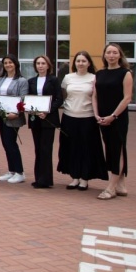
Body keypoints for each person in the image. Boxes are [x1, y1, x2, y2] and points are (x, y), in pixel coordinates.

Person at [57, 51, 107, 191]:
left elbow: (96, 98)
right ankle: (75, 177)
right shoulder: (68, 78)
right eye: (78, 61)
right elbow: (64, 95)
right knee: (71, 148)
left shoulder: (94, 78)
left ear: (89, 63)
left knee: (86, 149)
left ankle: (84, 178)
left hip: (88, 118)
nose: (80, 63)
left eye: (84, 61)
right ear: (74, 63)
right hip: (69, 117)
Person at [92, 43, 133, 200]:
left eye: (115, 52)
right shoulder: (99, 74)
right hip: (102, 118)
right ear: (104, 55)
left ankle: (111, 188)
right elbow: (94, 96)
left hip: (118, 118)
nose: (111, 55)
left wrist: (113, 116)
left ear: (120, 55)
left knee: (117, 149)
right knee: (110, 149)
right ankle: (121, 184)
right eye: (108, 52)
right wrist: (97, 115)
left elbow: (127, 98)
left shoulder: (125, 73)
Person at [26, 55, 63, 189]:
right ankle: (38, 178)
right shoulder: (31, 81)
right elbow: (29, 99)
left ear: (48, 65)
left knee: (46, 149)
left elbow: (59, 99)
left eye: (43, 63)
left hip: (49, 119)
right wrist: (30, 109)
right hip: (35, 119)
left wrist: (48, 111)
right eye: (38, 63)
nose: (40, 66)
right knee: (38, 148)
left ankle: (45, 180)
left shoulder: (54, 80)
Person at [0, 53, 29, 183]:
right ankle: (11, 171)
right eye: (5, 63)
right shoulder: (1, 79)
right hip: (2, 115)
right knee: (5, 143)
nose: (8, 65)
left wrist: (16, 113)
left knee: (11, 143)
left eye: (10, 62)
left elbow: (23, 98)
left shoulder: (21, 81)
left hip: (13, 116)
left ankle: (20, 172)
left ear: (15, 64)